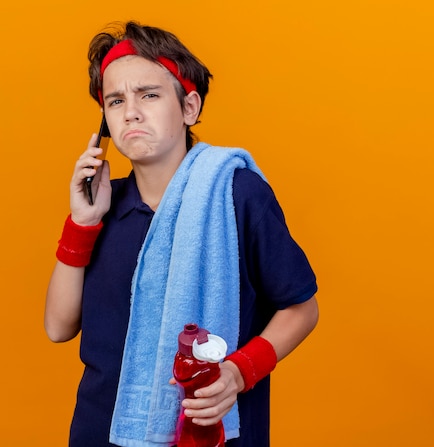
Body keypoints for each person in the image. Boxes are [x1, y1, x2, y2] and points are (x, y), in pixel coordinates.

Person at [45, 21, 319, 447]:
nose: (131, 111)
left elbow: (303, 309)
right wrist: (82, 222)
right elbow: (59, 327)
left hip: (209, 431)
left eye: (149, 95)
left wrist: (237, 371)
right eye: (115, 101)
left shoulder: (239, 195)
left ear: (189, 108)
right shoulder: (104, 205)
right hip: (102, 431)